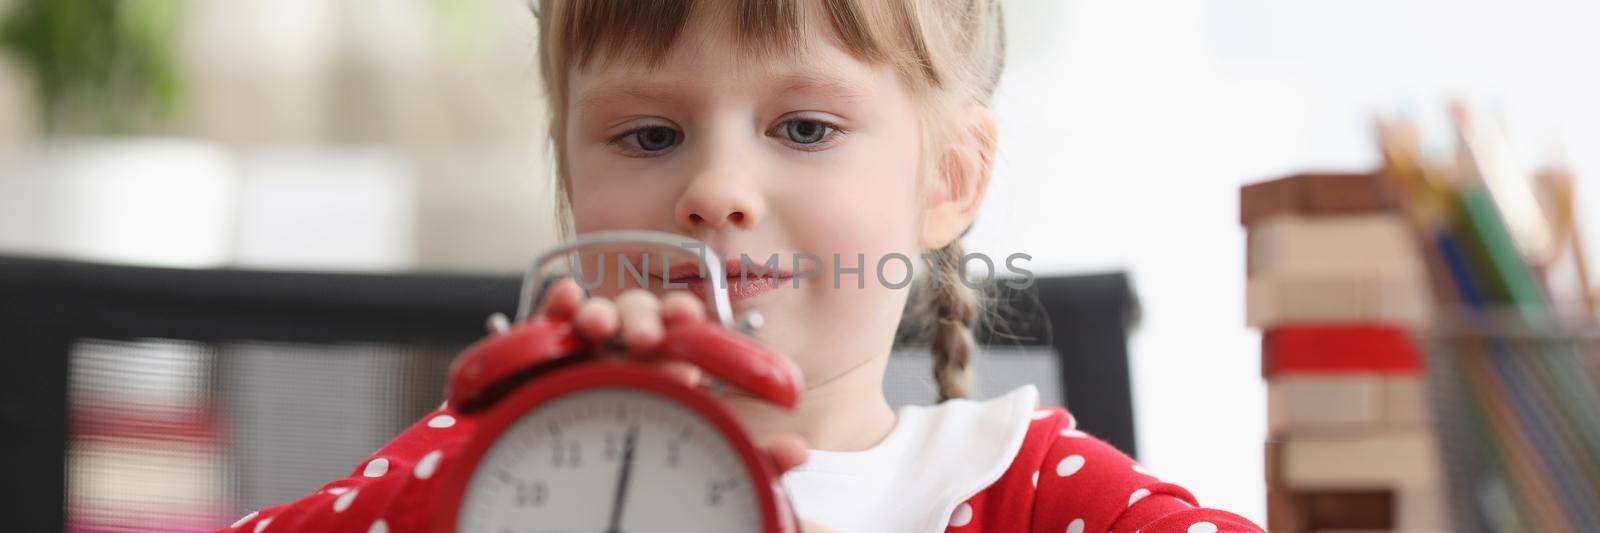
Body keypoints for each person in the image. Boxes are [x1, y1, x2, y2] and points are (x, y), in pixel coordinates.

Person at [218, 1, 1262, 531]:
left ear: (946, 176)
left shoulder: (1025, 492)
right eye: (647, 135)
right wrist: (463, 485)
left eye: (803, 126)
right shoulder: (499, 468)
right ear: (567, 182)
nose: (715, 188)